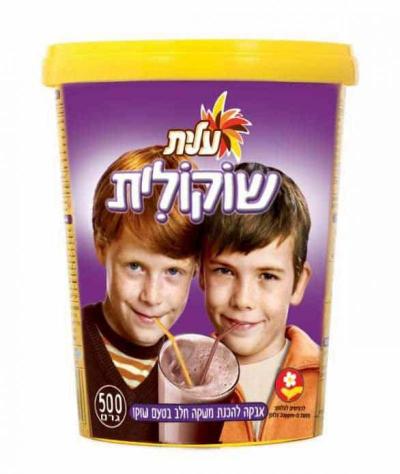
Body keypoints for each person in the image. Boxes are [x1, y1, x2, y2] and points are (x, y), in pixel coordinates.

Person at [82, 145, 201, 442]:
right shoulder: (72, 341)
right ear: (101, 246)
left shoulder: (186, 375)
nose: (152, 296)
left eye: (173, 271)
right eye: (134, 266)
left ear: (196, 268)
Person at [200, 162, 320, 443]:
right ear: (201, 273)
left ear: (299, 283)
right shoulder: (177, 380)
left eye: (267, 276)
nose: (243, 300)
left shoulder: (328, 376)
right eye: (224, 271)